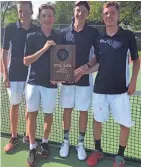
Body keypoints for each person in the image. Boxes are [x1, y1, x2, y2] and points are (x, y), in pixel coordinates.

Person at [75, 1, 140, 167]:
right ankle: (98, 151)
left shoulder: (128, 36)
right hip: (100, 90)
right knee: (98, 120)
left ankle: (120, 156)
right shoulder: (99, 38)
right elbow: (98, 62)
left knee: (124, 124)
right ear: (102, 16)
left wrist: (133, 81)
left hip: (120, 91)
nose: (108, 16)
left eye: (112, 13)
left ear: (118, 15)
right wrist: (85, 69)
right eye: (106, 13)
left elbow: (136, 60)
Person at [24, 4, 65, 166]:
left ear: (54, 18)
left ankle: (45, 142)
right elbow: (26, 61)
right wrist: (44, 48)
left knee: (48, 115)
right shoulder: (31, 36)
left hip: (51, 84)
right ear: (39, 18)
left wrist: (59, 76)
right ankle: (33, 146)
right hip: (33, 83)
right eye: (44, 15)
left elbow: (63, 58)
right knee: (32, 115)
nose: (47, 18)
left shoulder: (59, 36)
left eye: (50, 15)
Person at [59, 1, 99, 161]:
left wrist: (86, 67)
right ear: (73, 11)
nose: (80, 14)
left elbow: (98, 54)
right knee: (67, 110)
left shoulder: (93, 32)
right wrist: (59, 72)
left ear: (87, 14)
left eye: (83, 11)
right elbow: (58, 55)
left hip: (84, 79)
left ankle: (80, 144)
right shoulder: (63, 32)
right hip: (67, 80)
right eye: (77, 10)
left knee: (83, 110)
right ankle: (66, 142)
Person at [2, 1, 35, 153]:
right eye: (21, 11)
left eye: (26, 11)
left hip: (31, 75)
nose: (24, 14)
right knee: (14, 105)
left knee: (30, 107)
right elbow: (4, 52)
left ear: (32, 11)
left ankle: (28, 136)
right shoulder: (9, 28)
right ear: (18, 12)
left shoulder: (37, 29)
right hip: (14, 74)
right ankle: (14, 136)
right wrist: (5, 75)